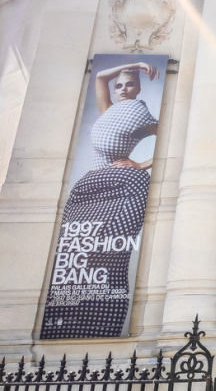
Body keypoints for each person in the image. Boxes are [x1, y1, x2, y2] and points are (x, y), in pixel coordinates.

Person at [41, 62, 160, 339]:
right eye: (120, 85)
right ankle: (69, 325)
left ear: (139, 87)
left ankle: (102, 324)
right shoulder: (108, 110)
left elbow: (173, 134)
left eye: (130, 83)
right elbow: (100, 77)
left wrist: (141, 165)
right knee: (73, 257)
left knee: (108, 257)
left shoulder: (140, 113)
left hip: (123, 188)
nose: (123, 89)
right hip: (88, 188)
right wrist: (136, 64)